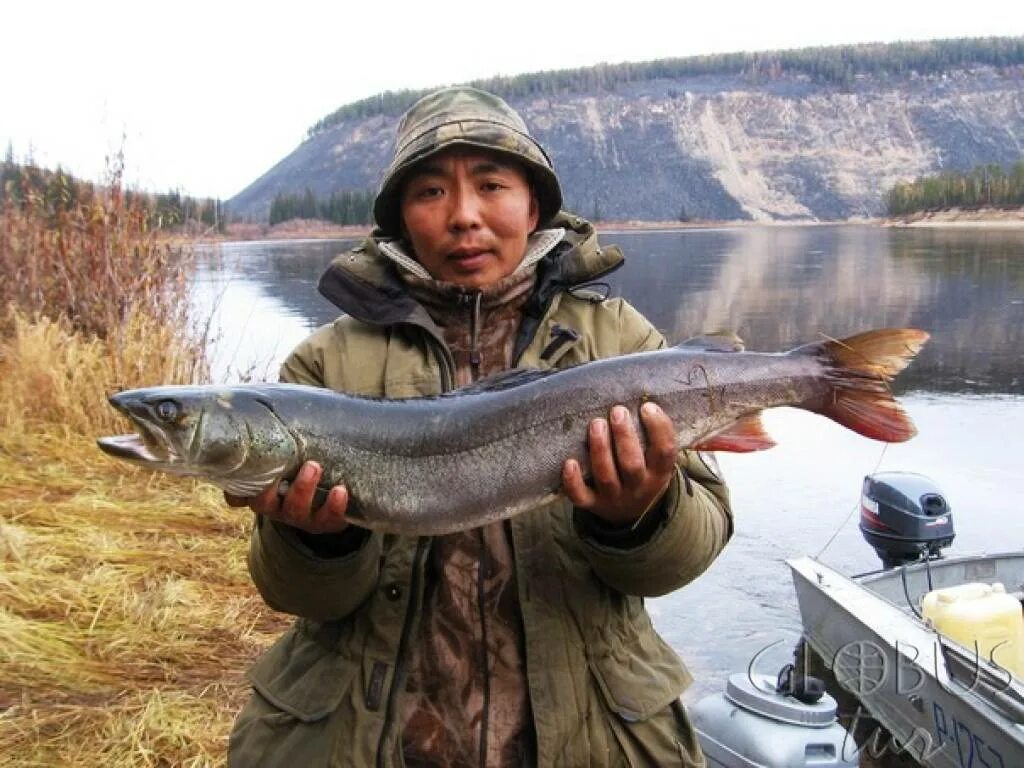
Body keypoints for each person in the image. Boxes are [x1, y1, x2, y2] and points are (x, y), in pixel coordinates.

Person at [226, 86, 732, 768]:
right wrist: (317, 542)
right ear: (401, 218)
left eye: (492, 185)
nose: (463, 216)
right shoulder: (324, 364)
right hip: (369, 739)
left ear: (534, 203)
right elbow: (295, 594)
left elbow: (691, 549)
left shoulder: (622, 340)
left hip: (587, 738)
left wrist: (637, 517)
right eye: (430, 193)